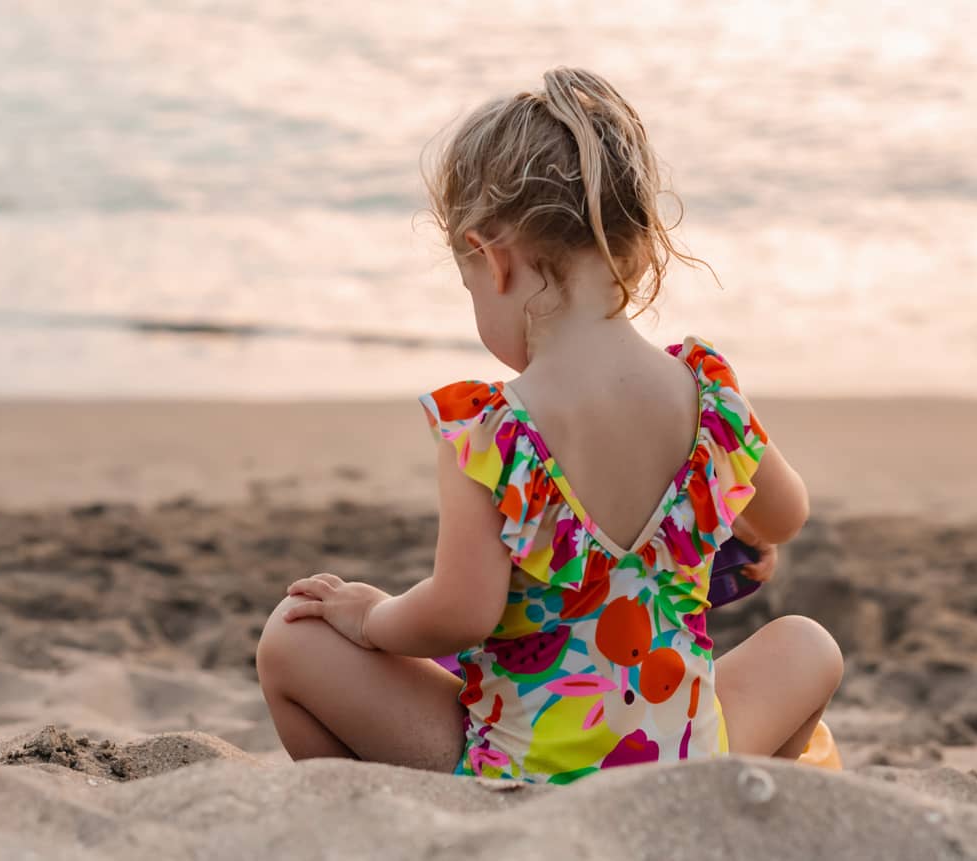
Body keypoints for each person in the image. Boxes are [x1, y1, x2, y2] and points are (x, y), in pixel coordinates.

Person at [257, 67, 842, 783]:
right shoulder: (708, 396)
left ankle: (382, 813)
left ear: (492, 259)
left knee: (289, 641)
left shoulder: (493, 430)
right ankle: (741, 807)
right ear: (632, 244)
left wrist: (373, 616)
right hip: (681, 758)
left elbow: (462, 612)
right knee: (808, 645)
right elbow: (786, 513)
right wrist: (737, 523)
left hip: (525, 773)